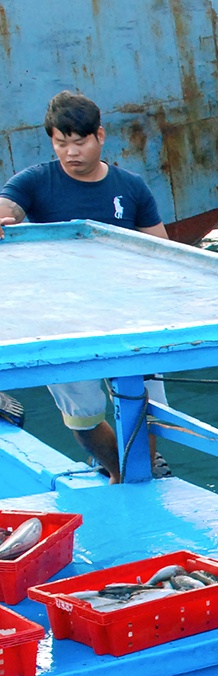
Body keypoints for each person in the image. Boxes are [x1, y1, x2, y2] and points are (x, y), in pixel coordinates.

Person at [0, 91, 172, 479]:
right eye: (61, 143)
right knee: (83, 416)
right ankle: (118, 473)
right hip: (60, 317)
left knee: (148, 411)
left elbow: (162, 252)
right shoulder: (35, 180)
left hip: (129, 313)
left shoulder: (131, 187)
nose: (71, 152)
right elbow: (8, 206)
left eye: (79, 142)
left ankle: (138, 472)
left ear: (100, 136)